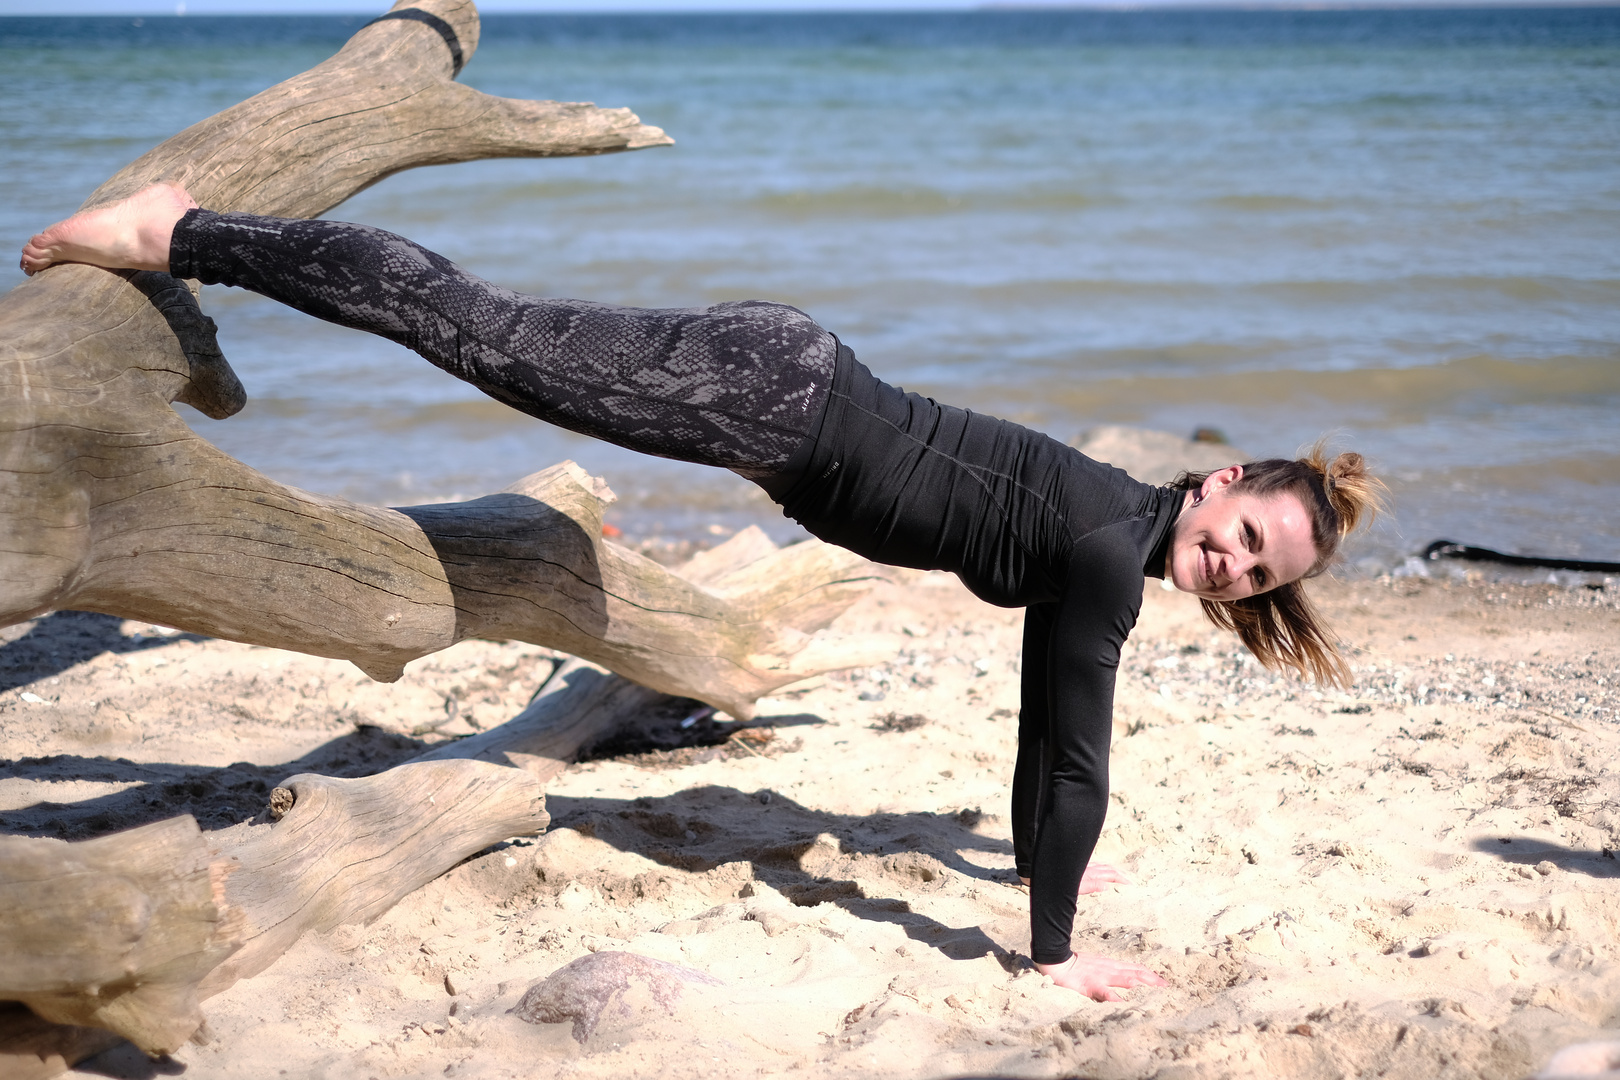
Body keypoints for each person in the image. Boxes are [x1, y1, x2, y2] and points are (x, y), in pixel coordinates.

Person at [21, 184, 1384, 1002]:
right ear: (1223, 482)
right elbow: (1080, 759)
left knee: (479, 322)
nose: (1240, 568)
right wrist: (1052, 954)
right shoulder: (1105, 552)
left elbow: (1047, 726)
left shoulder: (1113, 537)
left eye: (1262, 575)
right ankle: (177, 229)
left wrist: (1032, 871)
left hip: (786, 374)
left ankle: (197, 226)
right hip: (772, 398)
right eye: (1249, 533)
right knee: (466, 324)